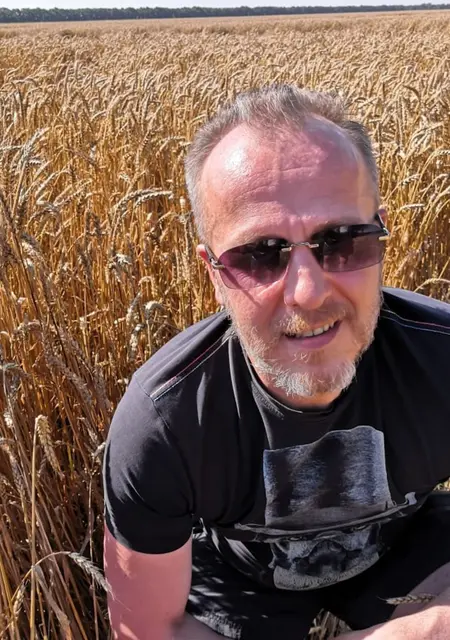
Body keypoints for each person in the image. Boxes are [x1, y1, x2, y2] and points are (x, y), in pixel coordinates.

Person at [102, 85, 450, 640]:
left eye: (342, 240)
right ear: (214, 272)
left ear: (383, 237)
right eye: (260, 255)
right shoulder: (165, 422)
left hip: (407, 552)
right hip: (239, 582)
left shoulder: (441, 359)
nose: (308, 292)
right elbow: (151, 629)